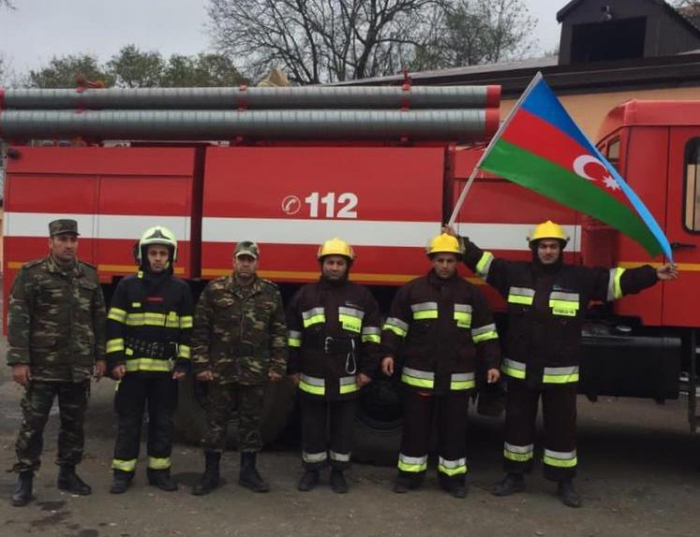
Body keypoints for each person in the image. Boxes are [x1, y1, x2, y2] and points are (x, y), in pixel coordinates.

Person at [450, 220, 678, 507]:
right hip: (521, 369)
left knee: (562, 429)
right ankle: (514, 476)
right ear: (534, 248)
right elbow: (482, 262)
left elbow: (618, 282)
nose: (548, 251)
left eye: (553, 246)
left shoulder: (580, 278)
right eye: (543, 246)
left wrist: (653, 274)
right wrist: (459, 241)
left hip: (560, 374)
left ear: (561, 249)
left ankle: (564, 481)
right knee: (517, 425)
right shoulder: (512, 273)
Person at [380, 233, 501, 498]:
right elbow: (395, 328)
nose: (445, 265)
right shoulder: (411, 290)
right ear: (431, 260)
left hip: (458, 378)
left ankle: (453, 479)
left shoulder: (472, 294)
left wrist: (492, 363)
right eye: (440, 260)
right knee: (415, 429)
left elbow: (485, 333)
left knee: (454, 431)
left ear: (458, 261)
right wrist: (388, 353)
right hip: (419, 378)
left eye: (450, 260)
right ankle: (409, 476)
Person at [7, 219, 106, 507]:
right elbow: (19, 318)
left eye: (72, 239)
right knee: (33, 424)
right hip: (42, 365)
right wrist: (19, 361)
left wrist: (100, 357)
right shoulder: (32, 274)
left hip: (77, 366)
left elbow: (98, 318)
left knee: (74, 424)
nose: (68, 245)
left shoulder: (88, 275)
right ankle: (25, 478)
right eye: (62, 239)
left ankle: (68, 473)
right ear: (50, 242)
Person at [191, 241, 288, 495]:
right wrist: (201, 363)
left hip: (254, 370)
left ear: (257, 262)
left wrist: (278, 365)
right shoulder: (215, 289)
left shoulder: (270, 293)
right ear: (233, 261)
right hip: (220, 369)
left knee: (251, 422)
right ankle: (210, 473)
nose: (246, 263)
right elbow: (200, 329)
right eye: (241, 259)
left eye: (250, 259)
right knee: (216, 423)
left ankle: (249, 472)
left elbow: (278, 332)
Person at [286, 238, 382, 493]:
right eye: (330, 262)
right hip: (312, 372)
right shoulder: (305, 295)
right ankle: (312, 471)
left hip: (347, 374)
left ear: (348, 266)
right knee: (312, 426)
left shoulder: (362, 296)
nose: (335, 267)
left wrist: (367, 370)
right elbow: (292, 336)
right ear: (322, 264)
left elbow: (372, 336)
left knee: (343, 427)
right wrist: (292, 368)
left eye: (340, 263)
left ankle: (339, 472)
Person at [106, 226, 194, 494]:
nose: (157, 258)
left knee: (163, 423)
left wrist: (183, 363)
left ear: (171, 256)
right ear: (143, 256)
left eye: (162, 253)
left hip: (165, 373)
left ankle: (160, 473)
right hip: (131, 371)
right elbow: (114, 325)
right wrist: (115, 361)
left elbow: (188, 330)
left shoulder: (180, 289)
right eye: (153, 253)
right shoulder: (127, 286)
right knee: (129, 422)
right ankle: (123, 473)